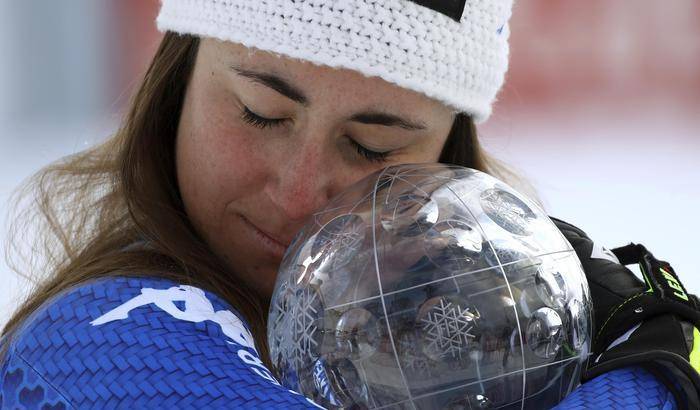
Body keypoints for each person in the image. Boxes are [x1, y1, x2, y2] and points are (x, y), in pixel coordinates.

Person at [0, 1, 697, 408]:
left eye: (370, 145)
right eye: (261, 113)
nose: (301, 193)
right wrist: (650, 377)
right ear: (178, 78)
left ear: (449, 152)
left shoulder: (464, 338)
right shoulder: (101, 341)